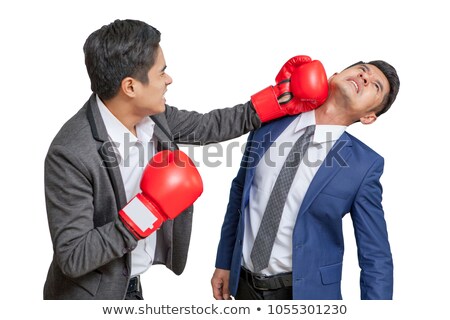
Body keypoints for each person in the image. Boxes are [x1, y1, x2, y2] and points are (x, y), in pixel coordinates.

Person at [43, 19, 328, 300]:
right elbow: (73, 256)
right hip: (90, 298)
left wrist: (277, 100)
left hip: (130, 284)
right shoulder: (70, 153)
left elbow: (208, 126)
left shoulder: (152, 116)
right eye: (161, 73)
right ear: (130, 87)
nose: (169, 80)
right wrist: (149, 210)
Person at [211, 59, 400, 300]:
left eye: (375, 86)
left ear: (369, 117)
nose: (365, 78)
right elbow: (240, 191)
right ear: (333, 76)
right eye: (363, 70)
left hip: (305, 295)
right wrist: (225, 262)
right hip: (243, 285)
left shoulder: (365, 166)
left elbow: (375, 256)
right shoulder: (270, 123)